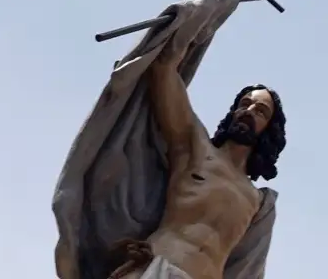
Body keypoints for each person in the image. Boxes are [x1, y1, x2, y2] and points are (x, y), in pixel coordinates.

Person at [107, 38, 287, 279]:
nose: (249, 111)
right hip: (155, 271)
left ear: (268, 129)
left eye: (260, 110)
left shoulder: (258, 202)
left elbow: (247, 267)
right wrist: (200, 15)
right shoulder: (195, 149)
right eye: (245, 104)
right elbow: (164, 69)